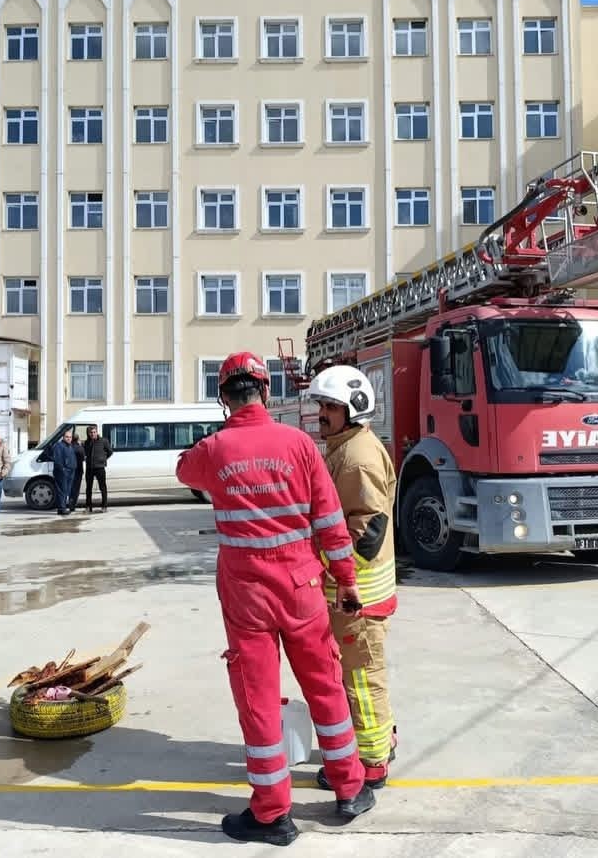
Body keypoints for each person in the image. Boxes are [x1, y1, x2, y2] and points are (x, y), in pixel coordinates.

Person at [176, 351, 375, 846]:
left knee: (260, 701)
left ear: (224, 397)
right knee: (325, 684)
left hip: (247, 597)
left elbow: (185, 471)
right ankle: (350, 788)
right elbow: (330, 520)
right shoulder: (300, 445)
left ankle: (271, 814)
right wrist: (346, 579)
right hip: (303, 587)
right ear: (265, 393)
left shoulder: (214, 449)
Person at [307, 365, 399, 791]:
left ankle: (371, 762)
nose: (321, 413)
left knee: (362, 678)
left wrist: (327, 566)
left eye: (330, 407)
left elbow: (368, 530)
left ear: (353, 410)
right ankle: (382, 740)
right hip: (355, 594)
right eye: (321, 405)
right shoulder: (346, 446)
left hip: (357, 596)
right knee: (364, 673)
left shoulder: (357, 456)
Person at [84, 424, 113, 513]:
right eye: (91, 433)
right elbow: (85, 453)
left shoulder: (103, 441)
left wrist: (103, 459)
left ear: (97, 432)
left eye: (94, 432)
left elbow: (110, 452)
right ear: (88, 434)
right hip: (89, 468)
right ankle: (88, 507)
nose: (93, 434)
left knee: (102, 487)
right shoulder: (86, 442)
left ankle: (104, 506)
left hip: (100, 468)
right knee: (88, 488)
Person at [50, 428, 77, 516]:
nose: (69, 438)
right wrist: (63, 470)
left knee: (66, 491)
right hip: (62, 472)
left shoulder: (70, 446)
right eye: (67, 437)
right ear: (63, 437)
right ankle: (61, 508)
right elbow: (57, 460)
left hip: (70, 471)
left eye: (70, 437)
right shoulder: (59, 445)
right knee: (62, 490)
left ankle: (63, 507)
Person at [69, 433, 86, 512]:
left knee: (70, 488)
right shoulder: (80, 448)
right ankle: (73, 504)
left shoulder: (68, 447)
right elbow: (83, 458)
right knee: (76, 488)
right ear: (78, 439)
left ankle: (70, 503)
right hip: (78, 470)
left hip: (70, 470)